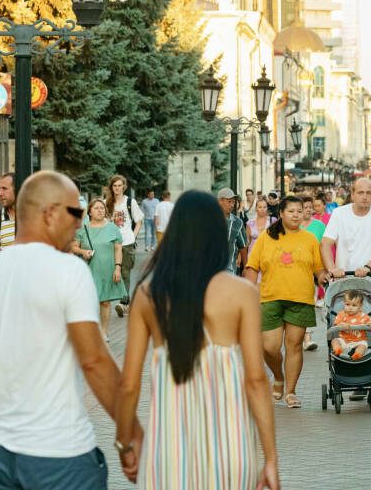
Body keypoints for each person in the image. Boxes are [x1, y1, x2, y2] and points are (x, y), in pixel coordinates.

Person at [0, 170, 141, 489]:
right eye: (75, 212)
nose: (80, 222)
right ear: (49, 214)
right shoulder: (68, 270)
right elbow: (95, 362)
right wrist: (130, 436)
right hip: (59, 455)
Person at [116, 189, 279, 488]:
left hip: (167, 450)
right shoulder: (242, 293)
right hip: (232, 448)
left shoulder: (148, 295)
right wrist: (270, 457)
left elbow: (128, 384)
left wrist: (124, 444)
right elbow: (256, 380)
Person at [242, 195, 326, 410]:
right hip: (270, 297)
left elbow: (318, 266)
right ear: (280, 213)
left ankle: (290, 391)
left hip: (300, 298)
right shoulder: (266, 238)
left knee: (294, 345)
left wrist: (325, 275)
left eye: (300, 211)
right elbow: (252, 267)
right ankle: (278, 376)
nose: (296, 215)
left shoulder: (309, 239)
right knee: (269, 347)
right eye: (291, 211)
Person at [321, 179, 371, 334]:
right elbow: (326, 243)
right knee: (343, 329)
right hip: (345, 284)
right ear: (352, 194)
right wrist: (332, 268)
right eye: (361, 192)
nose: (365, 197)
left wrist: (369, 267)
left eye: (369, 193)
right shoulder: (339, 213)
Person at [73, 199, 126, 339]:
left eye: (102, 208)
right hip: (89, 270)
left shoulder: (113, 228)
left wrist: (118, 268)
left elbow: (118, 249)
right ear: (90, 211)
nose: (100, 210)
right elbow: (73, 247)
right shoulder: (82, 229)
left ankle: (103, 332)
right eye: (96, 208)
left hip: (107, 269)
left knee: (105, 301)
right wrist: (83, 252)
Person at [107, 175, 143, 317]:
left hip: (127, 242)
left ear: (124, 187)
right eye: (114, 185)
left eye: (119, 185)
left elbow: (139, 220)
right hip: (111, 243)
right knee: (113, 272)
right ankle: (112, 301)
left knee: (125, 273)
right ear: (112, 187)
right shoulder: (106, 202)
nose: (117, 188)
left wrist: (133, 236)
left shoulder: (130, 202)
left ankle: (124, 303)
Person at [331, 289, 371, 360]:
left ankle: (357, 354)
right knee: (334, 341)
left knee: (363, 346)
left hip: (358, 341)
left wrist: (369, 324)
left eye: (354, 305)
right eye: (347, 304)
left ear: (360, 306)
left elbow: (370, 327)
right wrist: (341, 324)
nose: (350, 307)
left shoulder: (364, 316)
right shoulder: (341, 315)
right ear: (344, 303)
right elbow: (336, 325)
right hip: (344, 340)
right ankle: (338, 351)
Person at [217, 188, 249, 277]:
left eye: (233, 202)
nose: (232, 205)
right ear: (220, 201)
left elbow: (243, 247)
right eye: (229, 202)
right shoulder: (209, 219)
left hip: (229, 273)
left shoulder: (237, 223)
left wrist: (246, 267)